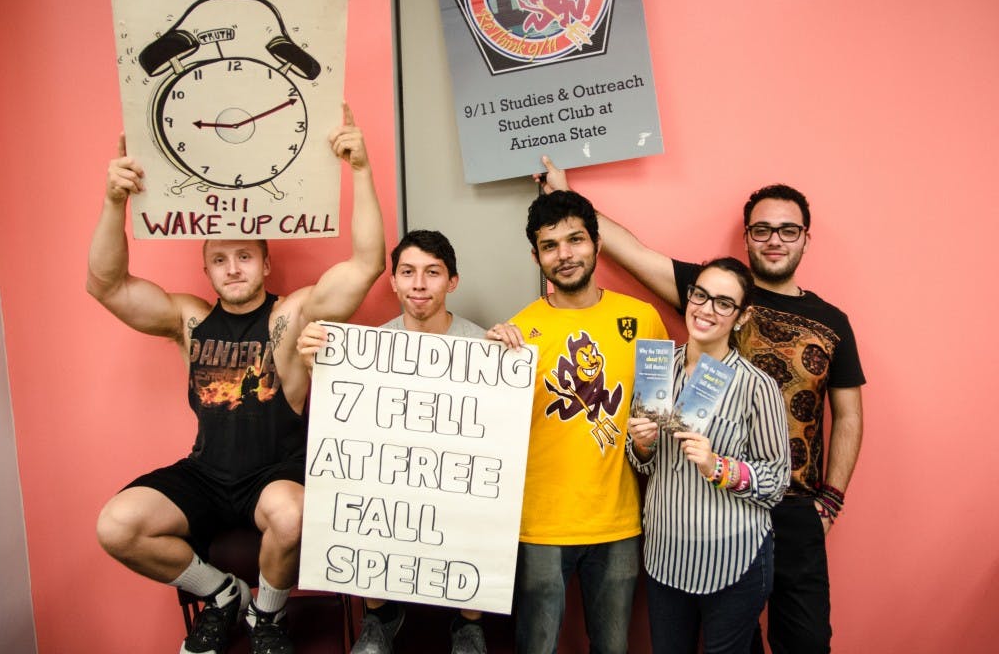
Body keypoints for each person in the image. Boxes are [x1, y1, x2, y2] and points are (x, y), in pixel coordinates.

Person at [88, 103, 386, 654]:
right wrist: (114, 201)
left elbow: (366, 263)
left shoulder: (289, 316)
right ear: (206, 269)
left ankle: (267, 618)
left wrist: (361, 170)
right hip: (205, 474)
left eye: (245, 256)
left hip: (272, 476)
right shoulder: (189, 320)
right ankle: (223, 594)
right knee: (117, 526)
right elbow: (106, 285)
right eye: (220, 259)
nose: (233, 268)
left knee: (292, 516)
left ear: (266, 263)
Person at [537, 158, 865, 654]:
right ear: (748, 236)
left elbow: (849, 415)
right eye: (762, 229)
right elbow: (632, 252)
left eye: (787, 230)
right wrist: (567, 195)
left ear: (804, 238)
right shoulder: (688, 316)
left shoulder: (830, 321)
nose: (774, 239)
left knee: (804, 641)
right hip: (682, 532)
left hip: (793, 508)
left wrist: (830, 501)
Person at [486, 190, 668, 654]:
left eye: (575, 240)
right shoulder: (518, 334)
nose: (564, 255)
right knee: (536, 646)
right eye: (550, 246)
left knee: (613, 647)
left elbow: (657, 423)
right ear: (536, 256)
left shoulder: (643, 320)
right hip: (539, 524)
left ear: (597, 243)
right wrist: (487, 365)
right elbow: (490, 431)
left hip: (620, 521)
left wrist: (647, 443)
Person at [297, 229, 488, 654]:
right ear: (394, 282)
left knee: (487, 498)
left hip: (453, 477)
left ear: (451, 282)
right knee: (358, 493)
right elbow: (346, 424)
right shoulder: (371, 346)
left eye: (432, 273)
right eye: (408, 272)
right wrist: (320, 367)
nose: (419, 284)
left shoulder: (482, 345)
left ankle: (469, 623)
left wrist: (512, 351)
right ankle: (380, 615)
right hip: (396, 478)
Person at [627, 257, 790, 653]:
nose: (706, 309)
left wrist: (718, 466)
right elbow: (643, 463)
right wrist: (642, 444)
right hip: (666, 557)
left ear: (741, 316)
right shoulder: (656, 370)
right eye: (700, 295)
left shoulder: (758, 387)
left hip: (733, 560)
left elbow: (777, 481)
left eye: (723, 302)